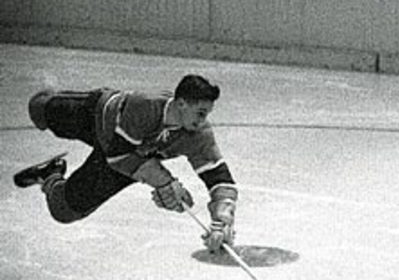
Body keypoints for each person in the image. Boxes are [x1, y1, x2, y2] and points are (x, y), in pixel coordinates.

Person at [13, 75, 238, 254]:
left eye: (206, 114)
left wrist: (222, 218)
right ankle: (50, 98)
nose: (202, 121)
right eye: (200, 113)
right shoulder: (144, 105)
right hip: (97, 117)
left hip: (128, 158)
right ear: (181, 104)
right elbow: (119, 154)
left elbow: (220, 179)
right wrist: (164, 182)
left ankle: (50, 175)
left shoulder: (199, 134)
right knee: (38, 110)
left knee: (64, 210)